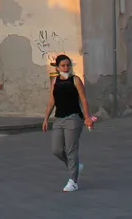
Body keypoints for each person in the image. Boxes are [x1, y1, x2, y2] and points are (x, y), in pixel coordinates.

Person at [41, 54, 93, 192]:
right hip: (59, 119)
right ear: (57, 67)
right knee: (56, 150)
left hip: (73, 118)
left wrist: (87, 117)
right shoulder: (55, 81)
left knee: (71, 149)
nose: (66, 68)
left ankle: (73, 181)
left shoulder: (75, 80)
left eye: (68, 65)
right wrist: (46, 118)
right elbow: (52, 100)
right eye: (63, 65)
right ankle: (75, 166)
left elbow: (84, 99)